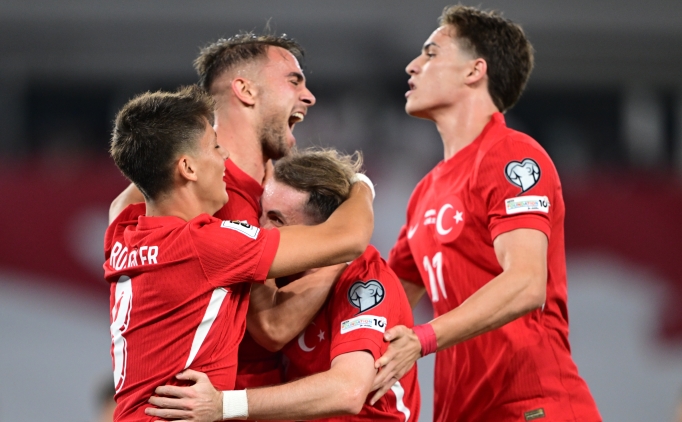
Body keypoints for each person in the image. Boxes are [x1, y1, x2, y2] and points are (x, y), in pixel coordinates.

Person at [371, 5, 602, 422]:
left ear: (474, 70)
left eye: (431, 53)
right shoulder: (426, 191)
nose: (412, 65)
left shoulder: (512, 155)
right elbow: (387, 302)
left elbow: (526, 283)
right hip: (463, 412)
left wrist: (423, 338)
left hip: (532, 407)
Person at [105, 86, 374, 420]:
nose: (226, 157)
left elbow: (131, 189)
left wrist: (164, 138)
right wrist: (359, 182)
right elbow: (349, 238)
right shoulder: (207, 246)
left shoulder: (122, 232)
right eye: (216, 147)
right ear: (187, 168)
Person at [109, 33, 338, 397]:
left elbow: (120, 209)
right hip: (218, 407)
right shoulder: (202, 199)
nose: (308, 96)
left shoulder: (267, 190)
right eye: (294, 80)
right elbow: (273, 327)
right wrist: (339, 244)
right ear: (245, 90)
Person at [144, 149, 420, 421]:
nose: (260, 230)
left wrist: (223, 404)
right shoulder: (277, 273)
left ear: (324, 230)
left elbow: (348, 391)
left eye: (276, 219)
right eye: (261, 213)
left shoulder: (365, 279)